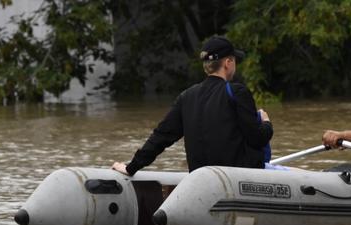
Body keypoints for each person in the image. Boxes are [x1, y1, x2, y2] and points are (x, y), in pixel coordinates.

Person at [112, 36, 273, 176]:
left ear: (206, 66)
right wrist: (266, 123)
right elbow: (257, 139)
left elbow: (161, 137)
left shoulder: (186, 96)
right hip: (236, 178)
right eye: (234, 60)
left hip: (201, 178)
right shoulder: (238, 92)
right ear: (228, 63)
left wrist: (131, 167)